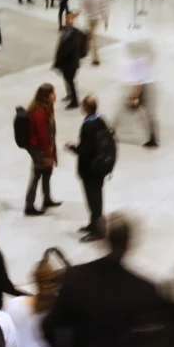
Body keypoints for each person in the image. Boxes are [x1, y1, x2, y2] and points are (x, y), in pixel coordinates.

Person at [43, 213, 171, 347]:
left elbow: (49, 327)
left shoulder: (75, 278)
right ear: (130, 242)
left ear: (103, 240)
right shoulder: (146, 291)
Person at [65, 95, 113, 242]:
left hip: (90, 169)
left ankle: (98, 230)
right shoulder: (100, 120)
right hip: (100, 167)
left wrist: (72, 147)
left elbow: (85, 150)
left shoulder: (88, 126)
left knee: (93, 199)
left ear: (85, 108)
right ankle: (94, 224)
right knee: (96, 197)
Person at [114, 36, 160, 149]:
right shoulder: (145, 60)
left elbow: (138, 82)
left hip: (142, 92)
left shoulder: (138, 62)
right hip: (146, 89)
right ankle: (153, 137)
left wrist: (135, 96)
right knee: (147, 114)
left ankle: (111, 131)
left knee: (125, 110)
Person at [24, 83, 61, 216]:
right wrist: (48, 154)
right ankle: (29, 205)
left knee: (47, 172)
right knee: (37, 174)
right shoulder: (39, 112)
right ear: (46, 96)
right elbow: (43, 135)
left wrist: (53, 152)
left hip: (45, 147)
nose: (55, 95)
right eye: (53, 93)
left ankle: (47, 198)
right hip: (38, 149)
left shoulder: (46, 108)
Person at [80, 0, 109, 66]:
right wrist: (106, 20)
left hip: (90, 18)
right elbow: (104, 8)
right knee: (88, 36)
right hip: (97, 18)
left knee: (92, 38)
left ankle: (95, 58)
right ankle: (83, 52)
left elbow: (83, 7)